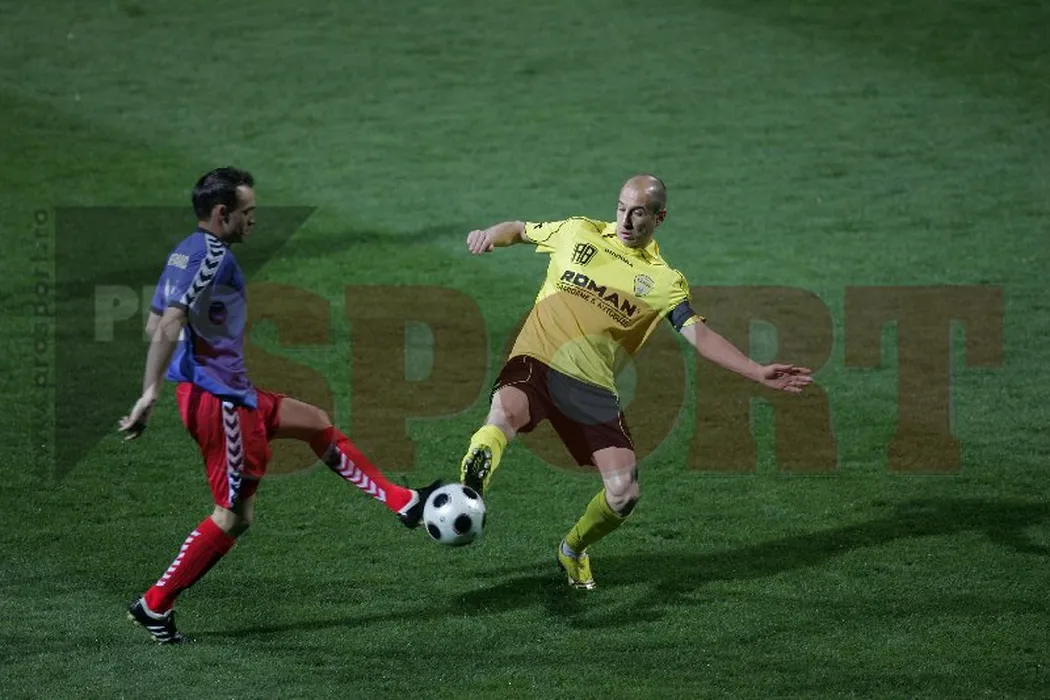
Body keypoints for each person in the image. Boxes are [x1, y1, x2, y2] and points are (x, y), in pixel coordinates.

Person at [119, 166, 439, 643]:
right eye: (247, 212)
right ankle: (155, 604)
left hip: (226, 393)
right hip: (221, 403)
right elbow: (167, 325)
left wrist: (198, 352)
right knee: (233, 517)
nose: (254, 220)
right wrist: (151, 392)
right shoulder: (211, 257)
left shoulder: (185, 250)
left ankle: (402, 501)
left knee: (314, 422)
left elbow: (154, 322)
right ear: (222, 213)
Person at [458, 174, 813, 590]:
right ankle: (474, 479)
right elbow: (519, 230)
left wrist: (755, 370)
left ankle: (572, 549)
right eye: (621, 208)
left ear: (659, 218)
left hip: (591, 386)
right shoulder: (578, 232)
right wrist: (489, 235)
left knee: (624, 492)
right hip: (538, 357)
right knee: (505, 414)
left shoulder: (664, 281)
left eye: (638, 213)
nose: (626, 220)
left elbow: (699, 335)